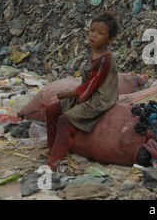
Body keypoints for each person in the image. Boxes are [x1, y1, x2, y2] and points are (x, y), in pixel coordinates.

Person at [44, 10, 120, 172]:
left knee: (65, 120)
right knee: (51, 110)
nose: (93, 35)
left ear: (110, 39)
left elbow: (90, 85)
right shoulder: (94, 52)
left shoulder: (105, 60)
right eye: (92, 30)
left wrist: (67, 94)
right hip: (88, 94)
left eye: (100, 33)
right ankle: (53, 150)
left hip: (99, 100)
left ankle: (53, 163)